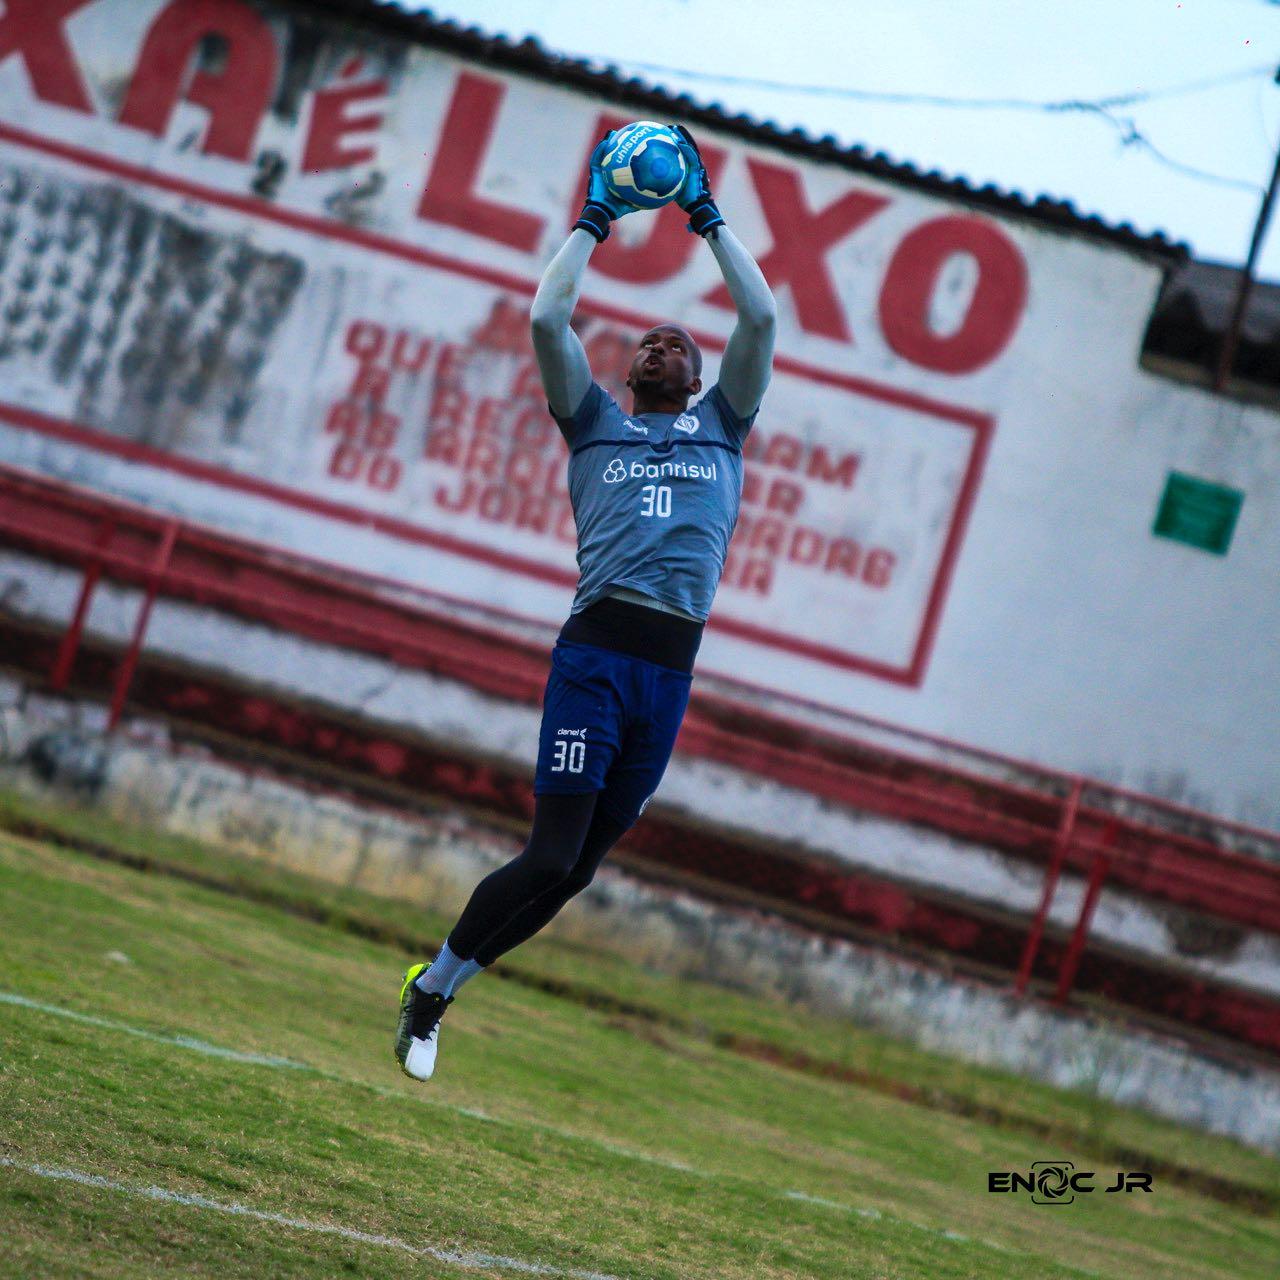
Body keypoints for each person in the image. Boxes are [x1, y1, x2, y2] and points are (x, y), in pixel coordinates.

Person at [395, 125, 776, 1080]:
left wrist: (707, 220)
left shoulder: (724, 424)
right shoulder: (594, 422)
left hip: (671, 675)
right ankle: (432, 987)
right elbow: (544, 320)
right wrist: (599, 218)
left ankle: (445, 985)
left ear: (697, 378)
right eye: (644, 342)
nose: (657, 346)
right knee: (547, 853)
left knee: (577, 873)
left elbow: (761, 320)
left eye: (674, 343)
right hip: (598, 660)